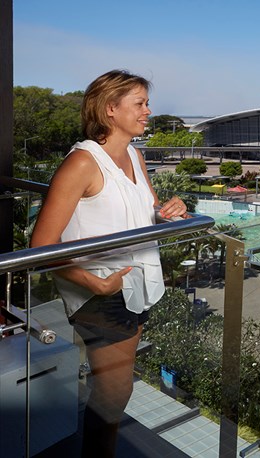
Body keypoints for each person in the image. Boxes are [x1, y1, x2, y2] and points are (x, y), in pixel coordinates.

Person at [30, 70, 187, 458]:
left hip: (132, 285)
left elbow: (145, 209)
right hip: (100, 290)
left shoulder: (134, 154)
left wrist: (169, 210)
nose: (149, 111)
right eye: (140, 103)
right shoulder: (83, 163)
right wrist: (94, 284)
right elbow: (41, 245)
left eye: (147, 103)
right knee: (114, 395)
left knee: (114, 393)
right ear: (110, 109)